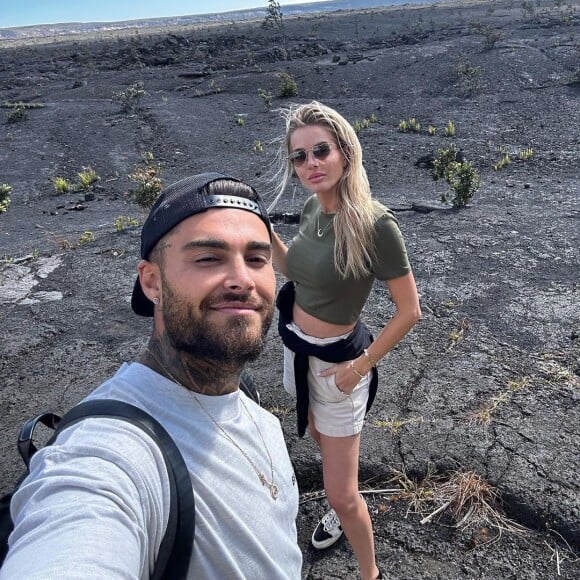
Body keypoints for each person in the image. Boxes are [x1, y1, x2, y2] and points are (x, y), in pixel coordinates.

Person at [1, 173, 303, 579]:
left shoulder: (251, 404)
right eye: (208, 258)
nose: (242, 280)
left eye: (256, 258)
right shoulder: (105, 451)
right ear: (151, 281)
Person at [269, 102, 421, 580]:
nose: (311, 164)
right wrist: (266, 233)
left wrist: (360, 367)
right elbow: (295, 271)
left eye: (320, 151)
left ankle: (370, 573)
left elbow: (409, 311)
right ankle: (343, 498)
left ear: (344, 154)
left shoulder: (376, 225)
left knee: (341, 492)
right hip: (296, 353)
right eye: (299, 157)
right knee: (313, 431)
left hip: (341, 369)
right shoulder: (313, 207)